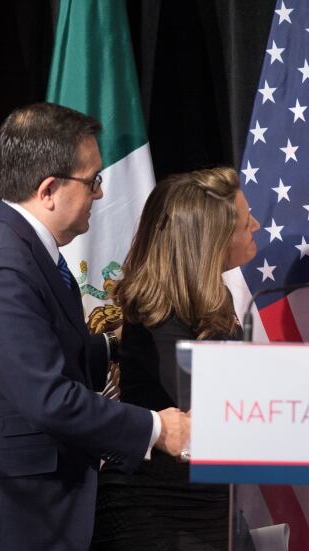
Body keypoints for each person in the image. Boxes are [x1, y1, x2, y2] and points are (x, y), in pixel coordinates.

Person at [0, 103, 190, 551]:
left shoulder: (22, 245)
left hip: (24, 506)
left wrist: (117, 345)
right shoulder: (0, 263)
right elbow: (48, 398)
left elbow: (46, 351)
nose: (100, 194)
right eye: (93, 180)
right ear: (48, 190)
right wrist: (158, 429)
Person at [91, 168, 260, 550]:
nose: (257, 224)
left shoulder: (215, 298)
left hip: (210, 500)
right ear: (209, 239)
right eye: (245, 221)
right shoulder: (159, 316)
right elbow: (206, 411)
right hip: (153, 511)